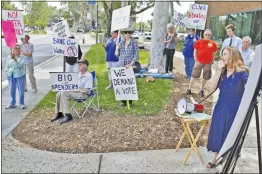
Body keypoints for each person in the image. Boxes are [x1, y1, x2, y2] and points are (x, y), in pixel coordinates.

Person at [206, 46, 249, 168]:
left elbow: (249, 90)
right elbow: (212, 88)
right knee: (217, 132)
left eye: (224, 54)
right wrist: (218, 70)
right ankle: (214, 159)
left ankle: (226, 161)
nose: (222, 57)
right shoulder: (222, 72)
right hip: (220, 107)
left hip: (234, 109)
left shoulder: (242, 73)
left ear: (232, 55)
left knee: (229, 135)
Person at [50, 59, 93, 124]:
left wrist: (76, 90)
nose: (78, 66)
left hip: (83, 94)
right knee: (59, 93)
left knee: (64, 93)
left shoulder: (89, 76)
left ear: (85, 66)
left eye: (80, 65)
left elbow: (86, 90)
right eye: (78, 65)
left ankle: (68, 116)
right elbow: (72, 85)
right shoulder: (78, 74)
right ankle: (59, 113)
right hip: (75, 92)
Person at [186, 29, 217, 97]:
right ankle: (189, 88)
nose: (207, 36)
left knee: (205, 77)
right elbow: (195, 52)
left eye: (209, 35)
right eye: (206, 34)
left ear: (210, 35)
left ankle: (201, 90)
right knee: (194, 75)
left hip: (208, 63)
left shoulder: (213, 44)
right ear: (203, 35)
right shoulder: (198, 42)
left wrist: (212, 60)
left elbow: (214, 53)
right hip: (199, 62)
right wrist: (196, 60)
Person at [115, 28, 139, 107]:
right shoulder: (121, 42)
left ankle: (130, 102)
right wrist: (117, 47)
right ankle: (123, 102)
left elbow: (136, 55)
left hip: (130, 65)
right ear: (123, 34)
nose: (127, 34)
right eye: (125, 32)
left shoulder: (134, 42)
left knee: (130, 84)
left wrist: (130, 64)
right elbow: (117, 54)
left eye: (129, 32)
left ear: (131, 33)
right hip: (122, 64)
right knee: (122, 84)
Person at [5, 44, 26, 109]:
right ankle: (12, 103)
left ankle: (22, 103)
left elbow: (20, 66)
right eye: (16, 49)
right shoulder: (9, 57)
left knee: (21, 90)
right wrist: (7, 73)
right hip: (11, 75)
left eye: (18, 49)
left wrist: (15, 59)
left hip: (20, 75)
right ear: (13, 50)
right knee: (12, 90)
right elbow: (6, 66)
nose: (18, 50)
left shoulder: (22, 57)